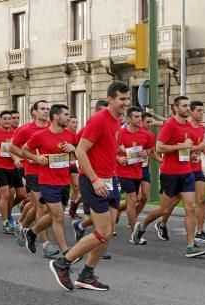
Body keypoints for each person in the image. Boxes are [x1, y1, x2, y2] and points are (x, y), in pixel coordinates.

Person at [49, 81, 130, 291]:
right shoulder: (99, 119)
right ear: (111, 99)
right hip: (93, 180)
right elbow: (80, 151)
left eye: (128, 99)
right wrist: (94, 179)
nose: (126, 103)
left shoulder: (117, 121)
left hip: (110, 180)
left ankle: (86, 275)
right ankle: (62, 263)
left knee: (108, 231)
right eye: (122, 99)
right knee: (102, 231)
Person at [131, 96, 205, 258]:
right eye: (184, 106)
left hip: (187, 172)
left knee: (191, 207)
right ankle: (142, 226)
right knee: (164, 209)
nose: (188, 108)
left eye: (189, 106)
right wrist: (180, 146)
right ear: (175, 108)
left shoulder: (189, 126)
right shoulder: (170, 125)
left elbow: (189, 147)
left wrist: (198, 148)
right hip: (170, 173)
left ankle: (190, 245)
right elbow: (159, 147)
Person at [22, 104, 77, 256]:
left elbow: (79, 154)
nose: (69, 118)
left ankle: (32, 233)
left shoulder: (71, 135)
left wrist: (74, 149)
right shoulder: (40, 135)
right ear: (56, 117)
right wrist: (36, 158)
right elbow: (24, 150)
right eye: (66, 115)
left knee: (53, 215)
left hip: (64, 181)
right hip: (47, 181)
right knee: (58, 217)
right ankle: (67, 253)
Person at [114, 106, 152, 243]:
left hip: (138, 171)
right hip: (122, 172)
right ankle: (135, 234)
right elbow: (109, 150)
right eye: (136, 116)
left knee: (136, 199)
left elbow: (150, 149)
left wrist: (145, 153)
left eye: (140, 116)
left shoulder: (146, 134)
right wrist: (118, 158)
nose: (139, 119)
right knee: (131, 199)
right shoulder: (119, 133)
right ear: (128, 118)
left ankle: (111, 211)